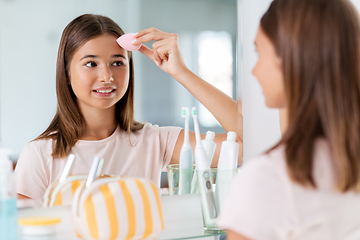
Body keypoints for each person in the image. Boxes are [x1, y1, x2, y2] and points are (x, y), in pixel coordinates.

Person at [15, 14, 242, 207]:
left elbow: (245, 143)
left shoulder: (154, 141)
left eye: (117, 62)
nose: (107, 76)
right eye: (91, 64)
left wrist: (180, 72)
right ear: (66, 74)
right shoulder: (40, 155)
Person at [217, 0, 360, 239]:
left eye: (259, 52)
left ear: (292, 58)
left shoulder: (269, 179)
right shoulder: (348, 163)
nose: (254, 70)